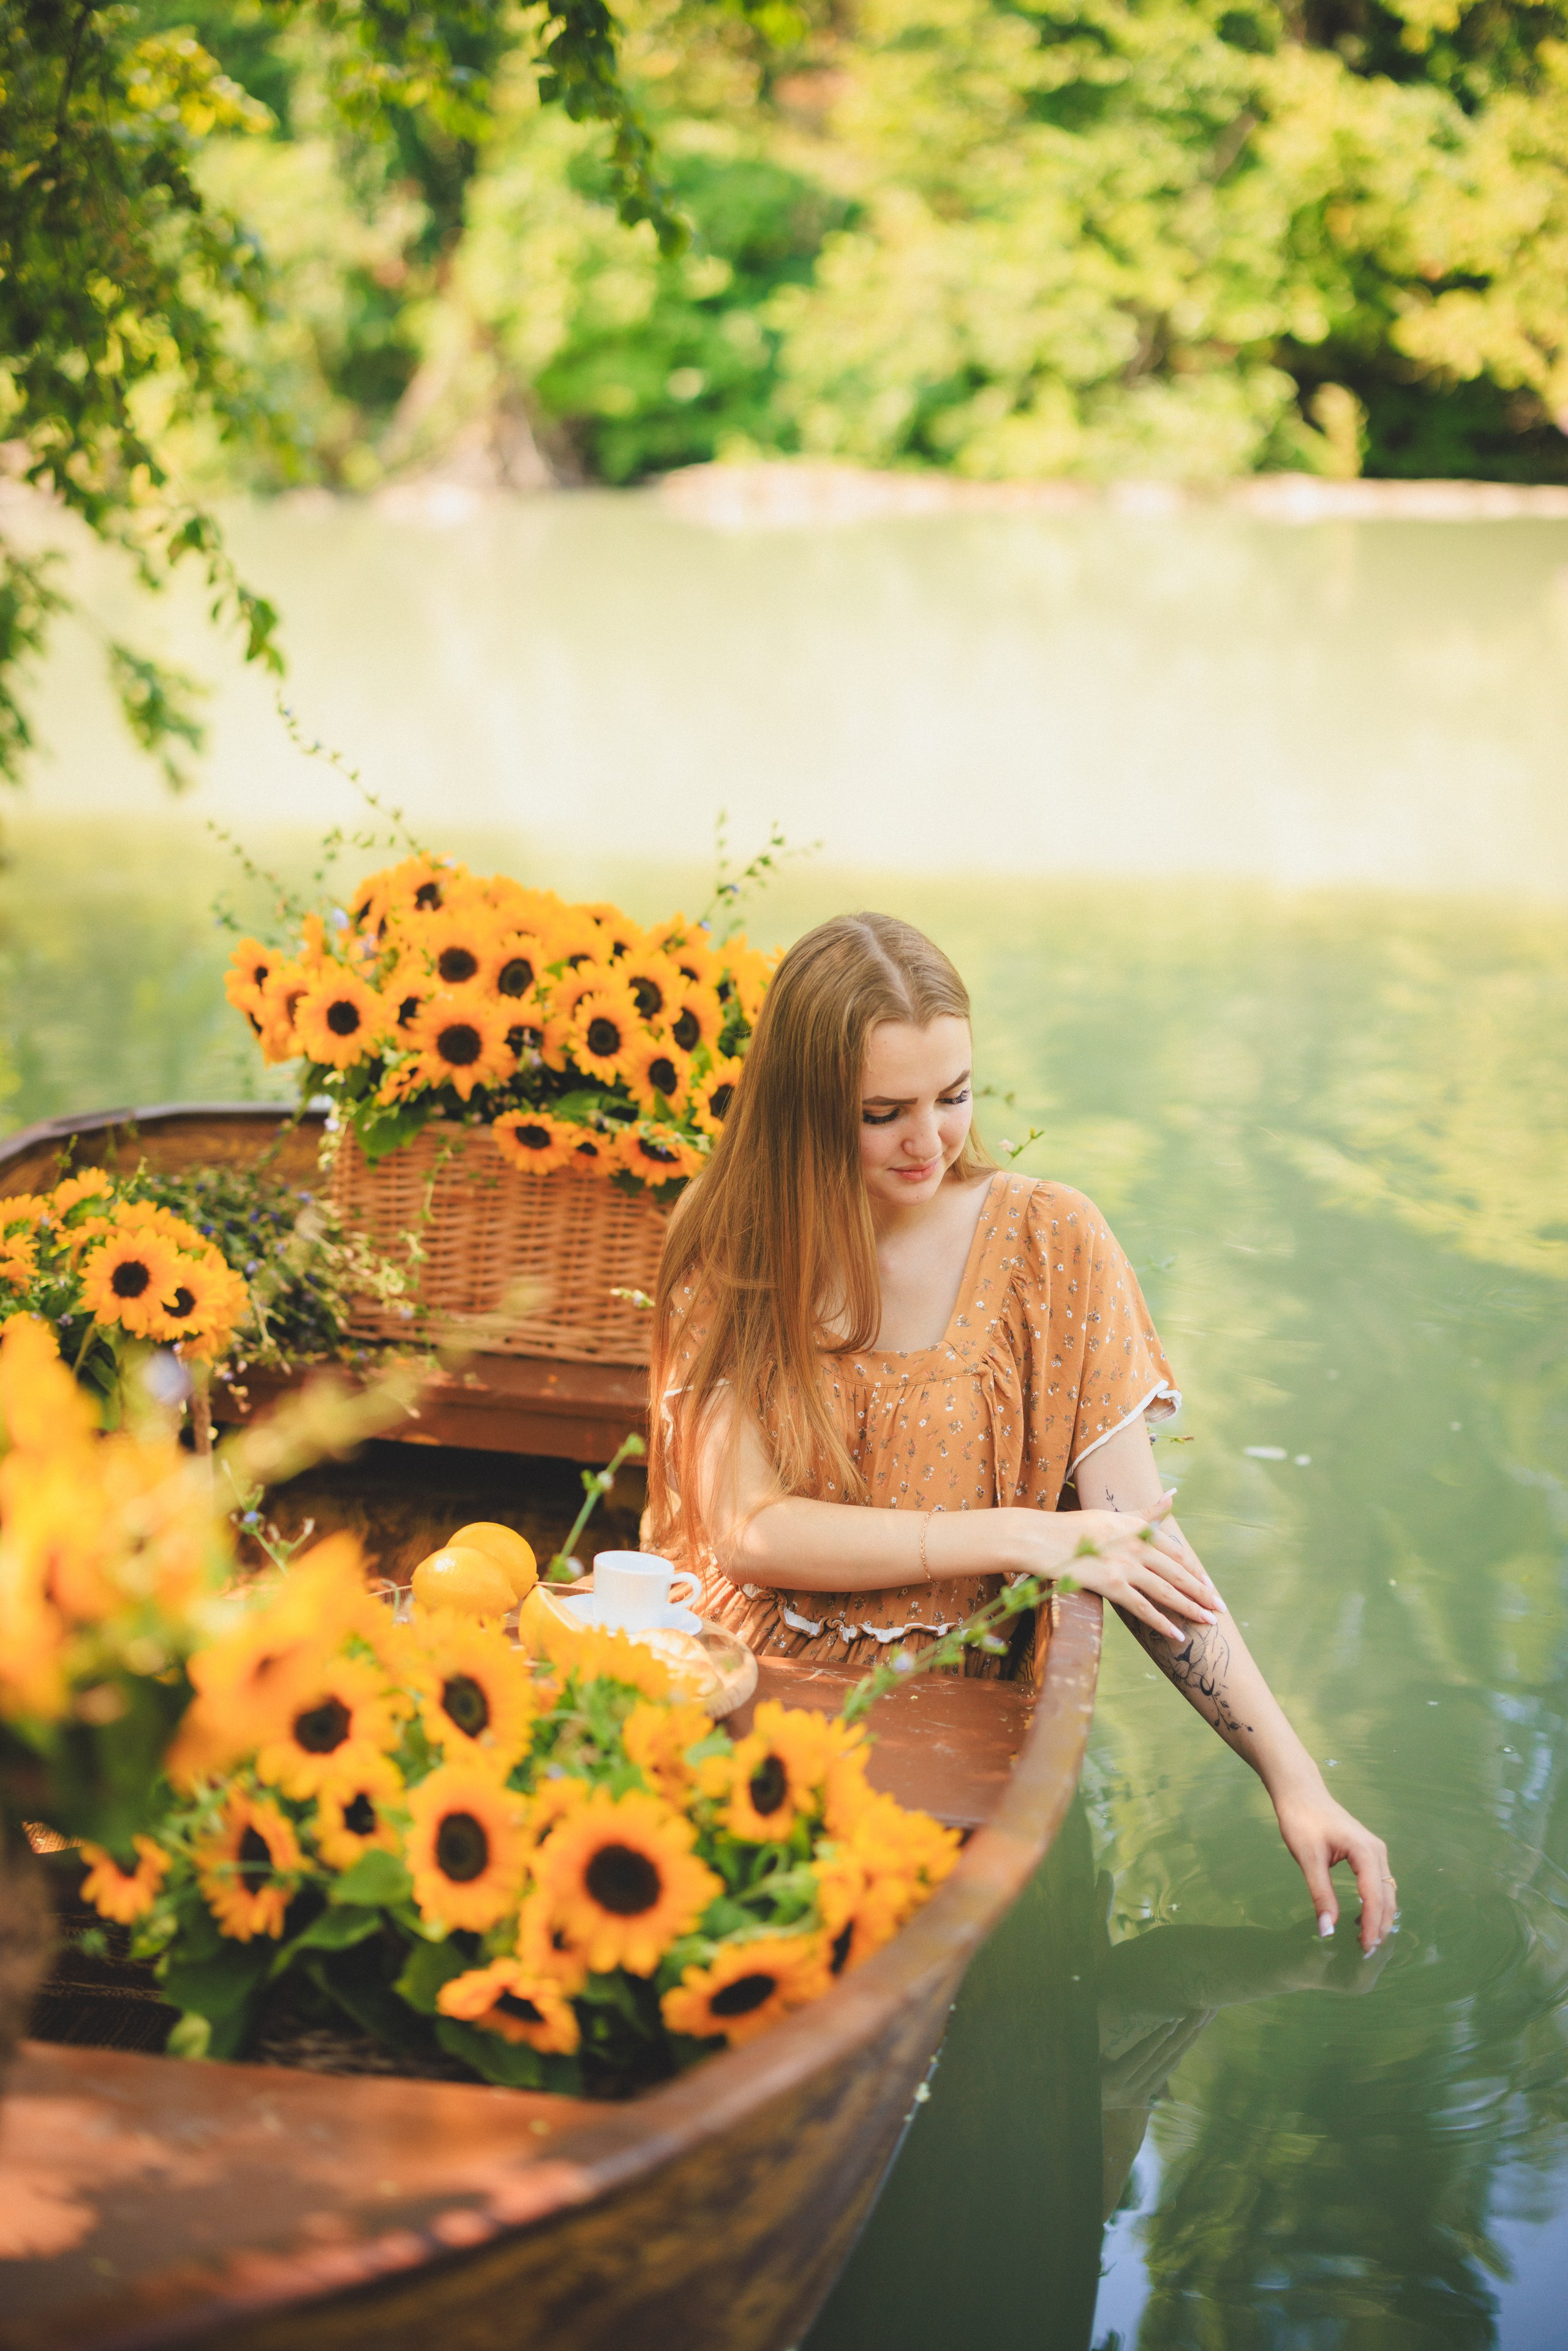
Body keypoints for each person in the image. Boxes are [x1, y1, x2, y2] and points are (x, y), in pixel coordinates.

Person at [649, 912, 1395, 1952]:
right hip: (740, 1679)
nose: (929, 1140)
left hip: (958, 1712)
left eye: (953, 1096)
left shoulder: (1052, 1241)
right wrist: (1015, 1533)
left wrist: (1295, 1777)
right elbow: (748, 1530)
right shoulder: (735, 1245)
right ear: (804, 1109)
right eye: (883, 1112)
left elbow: (1139, 1541)